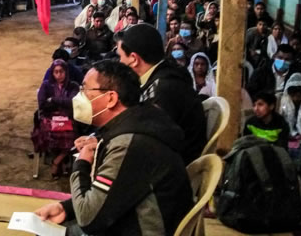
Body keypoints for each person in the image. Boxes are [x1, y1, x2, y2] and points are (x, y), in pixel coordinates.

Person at [35, 60, 193, 236]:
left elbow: (88, 219)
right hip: (127, 218)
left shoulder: (129, 144)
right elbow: (116, 192)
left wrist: (82, 163)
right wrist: (65, 208)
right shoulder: (140, 119)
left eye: (85, 90)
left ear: (110, 98)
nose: (79, 96)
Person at [115, 23, 207, 164]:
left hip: (175, 166)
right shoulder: (165, 74)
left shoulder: (163, 89)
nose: (120, 62)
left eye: (120, 56)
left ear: (133, 58)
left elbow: (151, 141)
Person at [32, 60, 79, 179]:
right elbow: (42, 104)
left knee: (73, 137)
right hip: (49, 118)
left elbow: (72, 102)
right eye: (56, 72)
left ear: (66, 72)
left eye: (61, 71)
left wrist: (53, 100)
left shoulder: (73, 86)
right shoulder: (46, 85)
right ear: (52, 73)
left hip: (67, 118)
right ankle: (59, 160)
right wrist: (62, 104)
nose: (58, 75)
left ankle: (56, 162)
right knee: (48, 135)